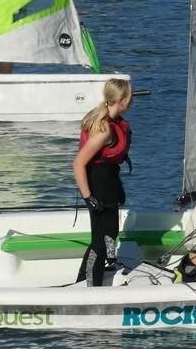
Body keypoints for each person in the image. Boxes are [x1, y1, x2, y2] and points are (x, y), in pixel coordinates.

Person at [73, 78, 132, 287]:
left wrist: (119, 188)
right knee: (99, 242)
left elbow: (112, 163)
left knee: (111, 235)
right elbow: (78, 163)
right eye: (129, 96)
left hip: (109, 181)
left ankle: (86, 278)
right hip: (96, 183)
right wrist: (88, 197)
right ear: (122, 100)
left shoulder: (117, 123)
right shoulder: (104, 129)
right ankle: (88, 284)